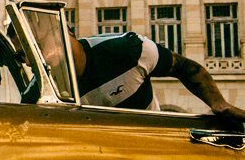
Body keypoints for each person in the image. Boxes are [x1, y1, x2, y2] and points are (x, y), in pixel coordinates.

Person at [71, 31, 245, 120]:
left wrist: (218, 103)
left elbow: (183, 66)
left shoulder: (130, 49)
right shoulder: (49, 82)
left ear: (69, 34)